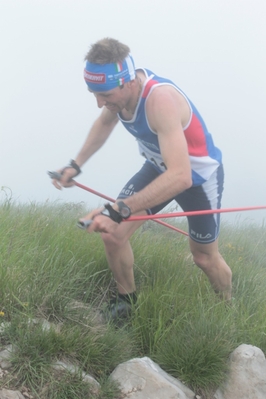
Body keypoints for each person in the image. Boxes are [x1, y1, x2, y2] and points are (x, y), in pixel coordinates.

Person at [52, 37, 232, 322]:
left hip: (198, 178)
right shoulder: (118, 100)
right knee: (113, 233)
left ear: (127, 82)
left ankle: (227, 310)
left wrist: (120, 209)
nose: (100, 103)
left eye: (105, 95)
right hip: (159, 168)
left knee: (204, 257)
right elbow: (104, 124)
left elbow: (181, 176)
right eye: (93, 93)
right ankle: (126, 304)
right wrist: (75, 165)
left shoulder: (160, 100)